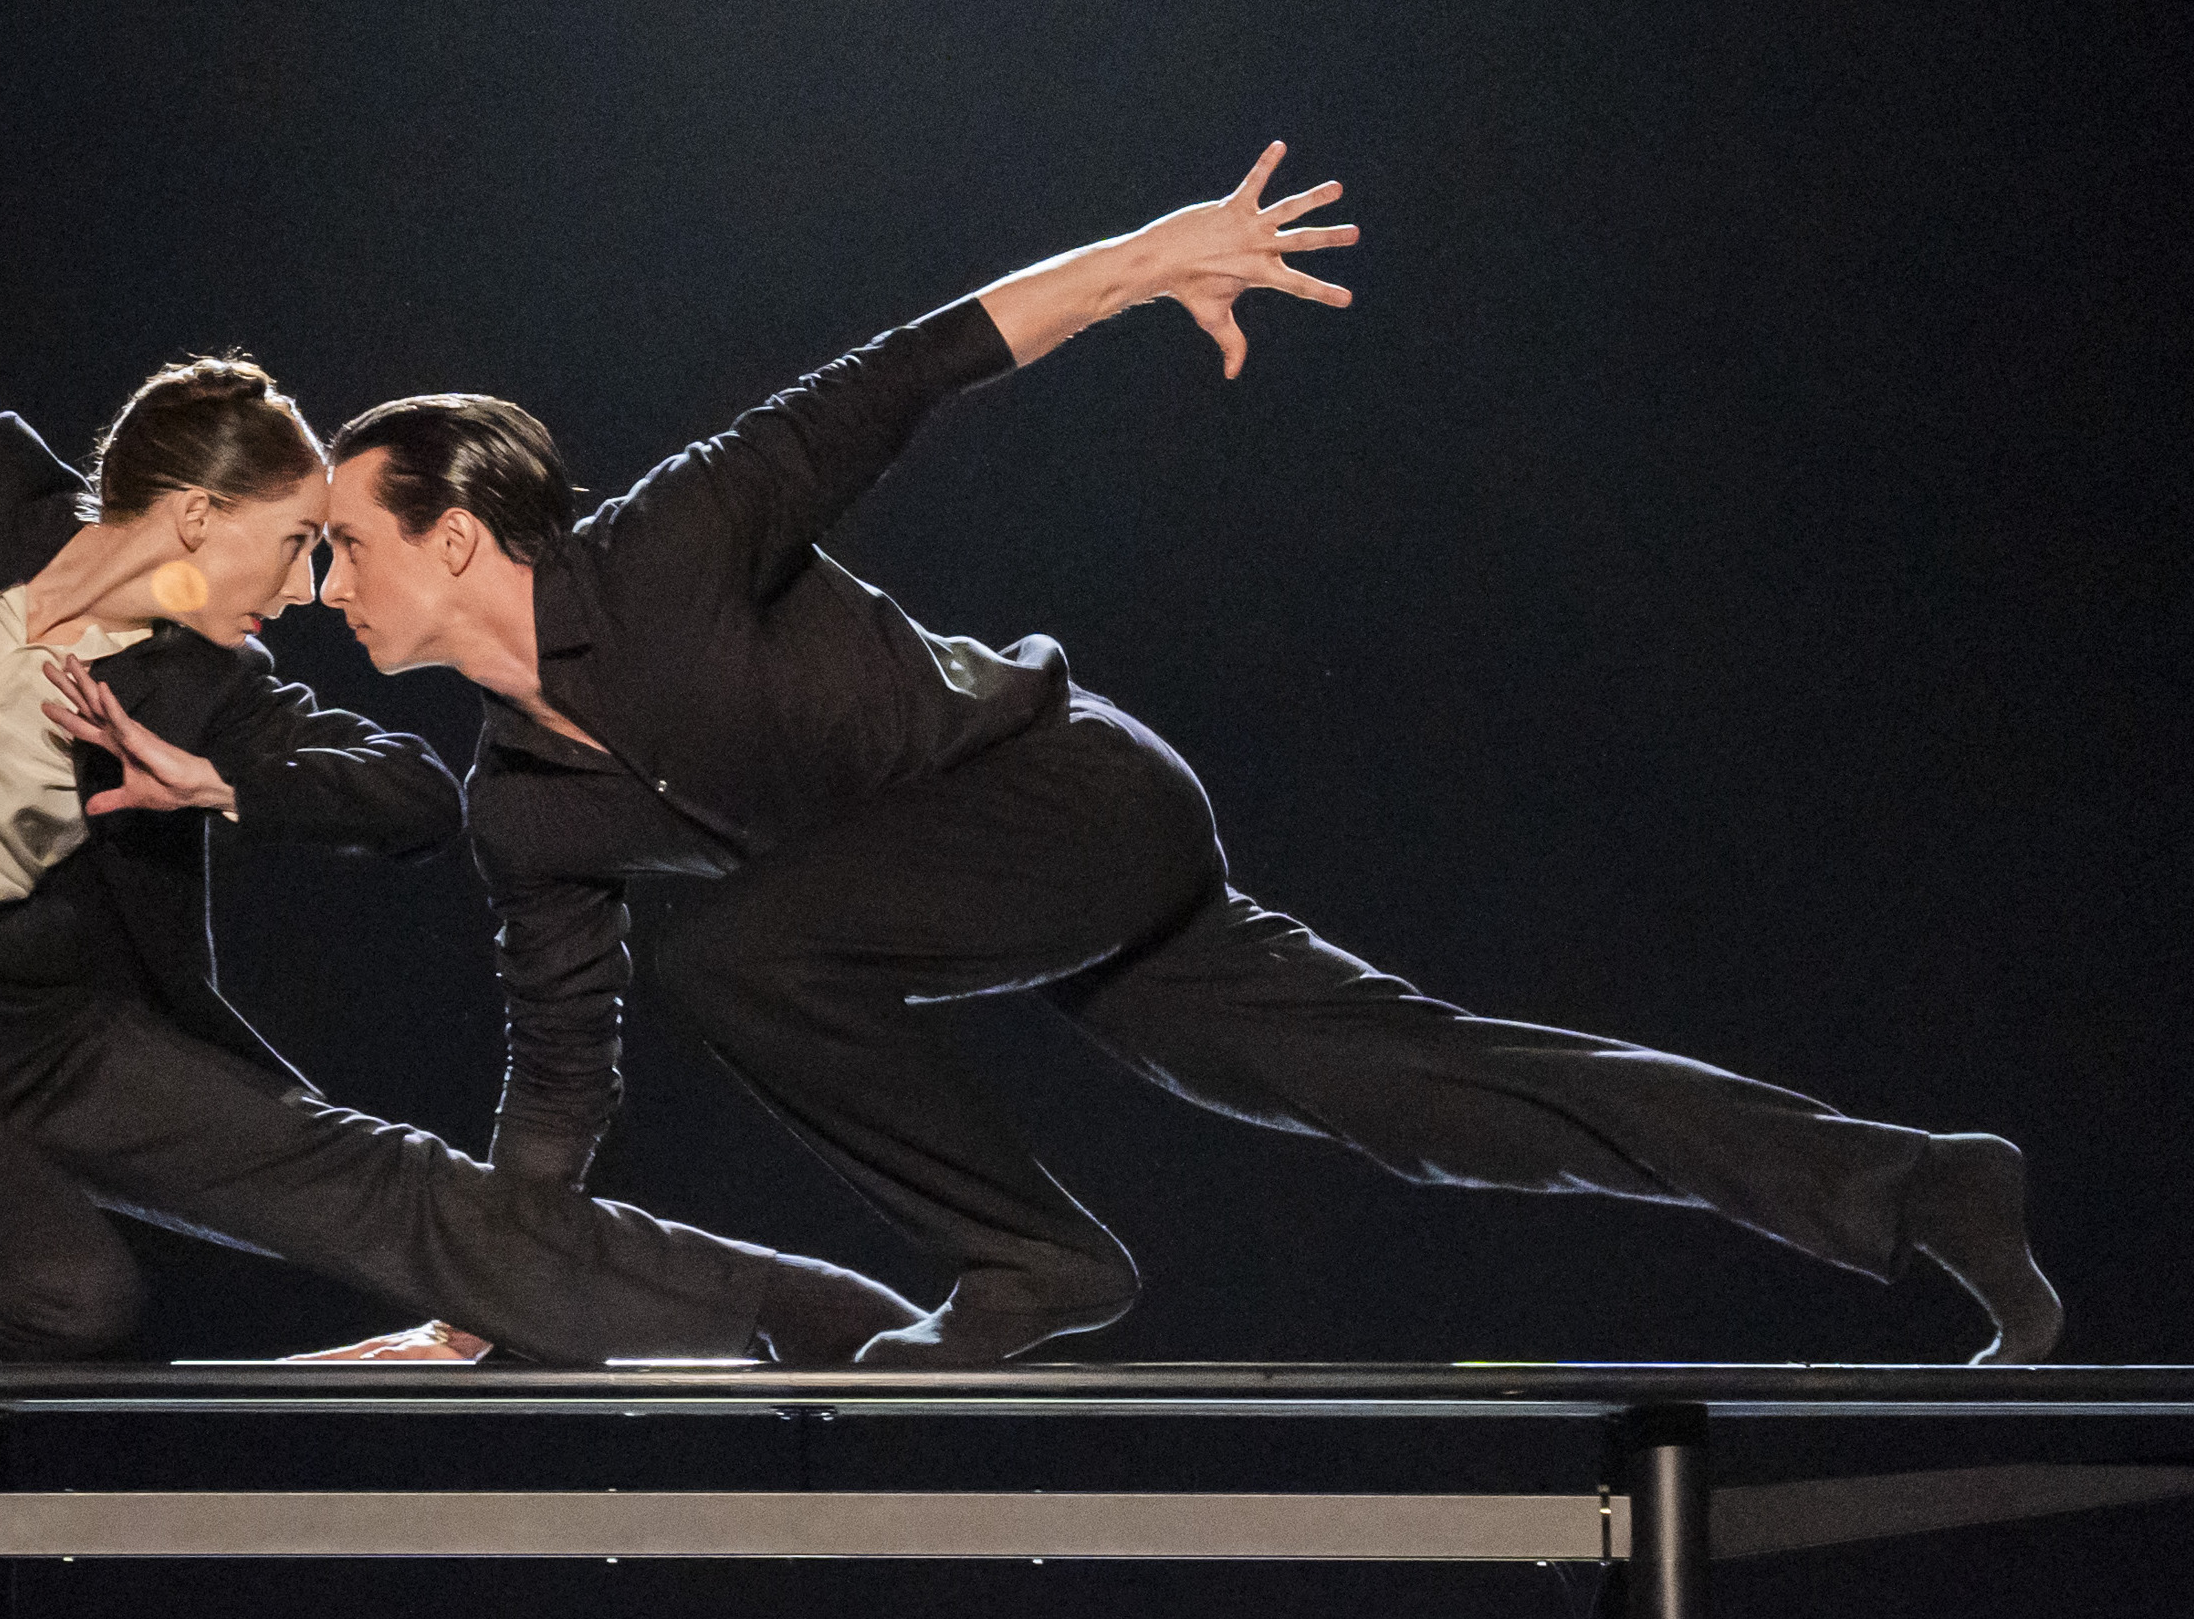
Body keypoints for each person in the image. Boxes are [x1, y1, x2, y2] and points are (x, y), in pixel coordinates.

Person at [301, 145, 2066, 1366]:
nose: (324, 586)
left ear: (459, 535)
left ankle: (1033, 1262)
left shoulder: (672, 540)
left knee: (738, 948)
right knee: (1424, 1095)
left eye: (344, 546)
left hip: (1072, 798)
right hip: (1005, 894)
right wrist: (484, 1291)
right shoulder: (520, 808)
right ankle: (1914, 1184)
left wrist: (1151, 261)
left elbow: (908, 371)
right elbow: (557, 1075)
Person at [0, 0, 918, 1365]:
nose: (316, 583)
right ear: (194, 517)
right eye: (301, 541)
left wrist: (218, 779)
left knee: (377, 1178)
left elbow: (408, 797)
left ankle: (802, 1312)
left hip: (42, 1019)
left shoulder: (203, 683)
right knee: (75, 1300)